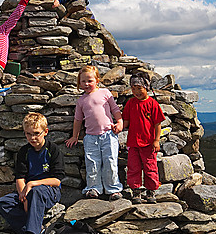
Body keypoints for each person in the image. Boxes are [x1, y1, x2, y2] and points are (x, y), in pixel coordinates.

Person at [0, 112, 65, 234]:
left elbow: (57, 180)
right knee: (3, 203)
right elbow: (20, 177)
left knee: (36, 192)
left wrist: (33, 184)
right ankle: (33, 232)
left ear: (45, 132)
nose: (32, 138)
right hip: (27, 189)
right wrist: (23, 195)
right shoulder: (24, 151)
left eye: (36, 133)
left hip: (48, 190)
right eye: (28, 134)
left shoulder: (53, 150)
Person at [65, 65, 124, 200]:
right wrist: (75, 136)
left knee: (110, 162)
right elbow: (78, 120)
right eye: (83, 81)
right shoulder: (81, 101)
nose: (86, 84)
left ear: (97, 80)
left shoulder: (105, 93)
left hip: (109, 134)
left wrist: (120, 123)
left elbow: (115, 110)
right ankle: (93, 188)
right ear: (79, 83)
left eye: (90, 81)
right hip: (90, 137)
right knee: (92, 163)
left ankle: (113, 190)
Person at [122, 73, 166, 204]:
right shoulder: (131, 103)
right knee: (133, 167)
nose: (136, 92)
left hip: (148, 144)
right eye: (133, 88)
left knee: (150, 167)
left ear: (146, 87)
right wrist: (117, 127)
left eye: (139, 88)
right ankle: (136, 192)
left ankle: (151, 191)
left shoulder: (153, 104)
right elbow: (126, 121)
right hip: (133, 143)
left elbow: (158, 124)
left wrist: (156, 141)